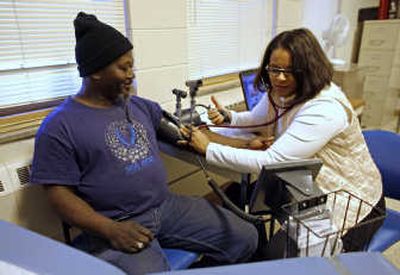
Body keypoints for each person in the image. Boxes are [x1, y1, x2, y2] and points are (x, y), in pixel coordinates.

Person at [30, 12, 258, 275]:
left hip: (166, 207)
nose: (131, 75)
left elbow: (187, 135)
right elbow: (58, 196)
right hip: (115, 223)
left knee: (246, 237)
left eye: (132, 66)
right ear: (95, 72)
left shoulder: (139, 106)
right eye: (123, 67)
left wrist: (243, 146)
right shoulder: (59, 126)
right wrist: (109, 229)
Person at [182, 28, 385, 254]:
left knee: (282, 260)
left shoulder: (325, 108)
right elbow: (258, 119)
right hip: (304, 185)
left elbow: (272, 160)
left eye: (290, 71)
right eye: (274, 69)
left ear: (309, 69)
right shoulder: (280, 92)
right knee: (234, 198)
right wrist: (229, 117)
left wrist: (208, 148)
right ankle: (249, 252)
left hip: (349, 201)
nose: (279, 77)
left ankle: (262, 256)